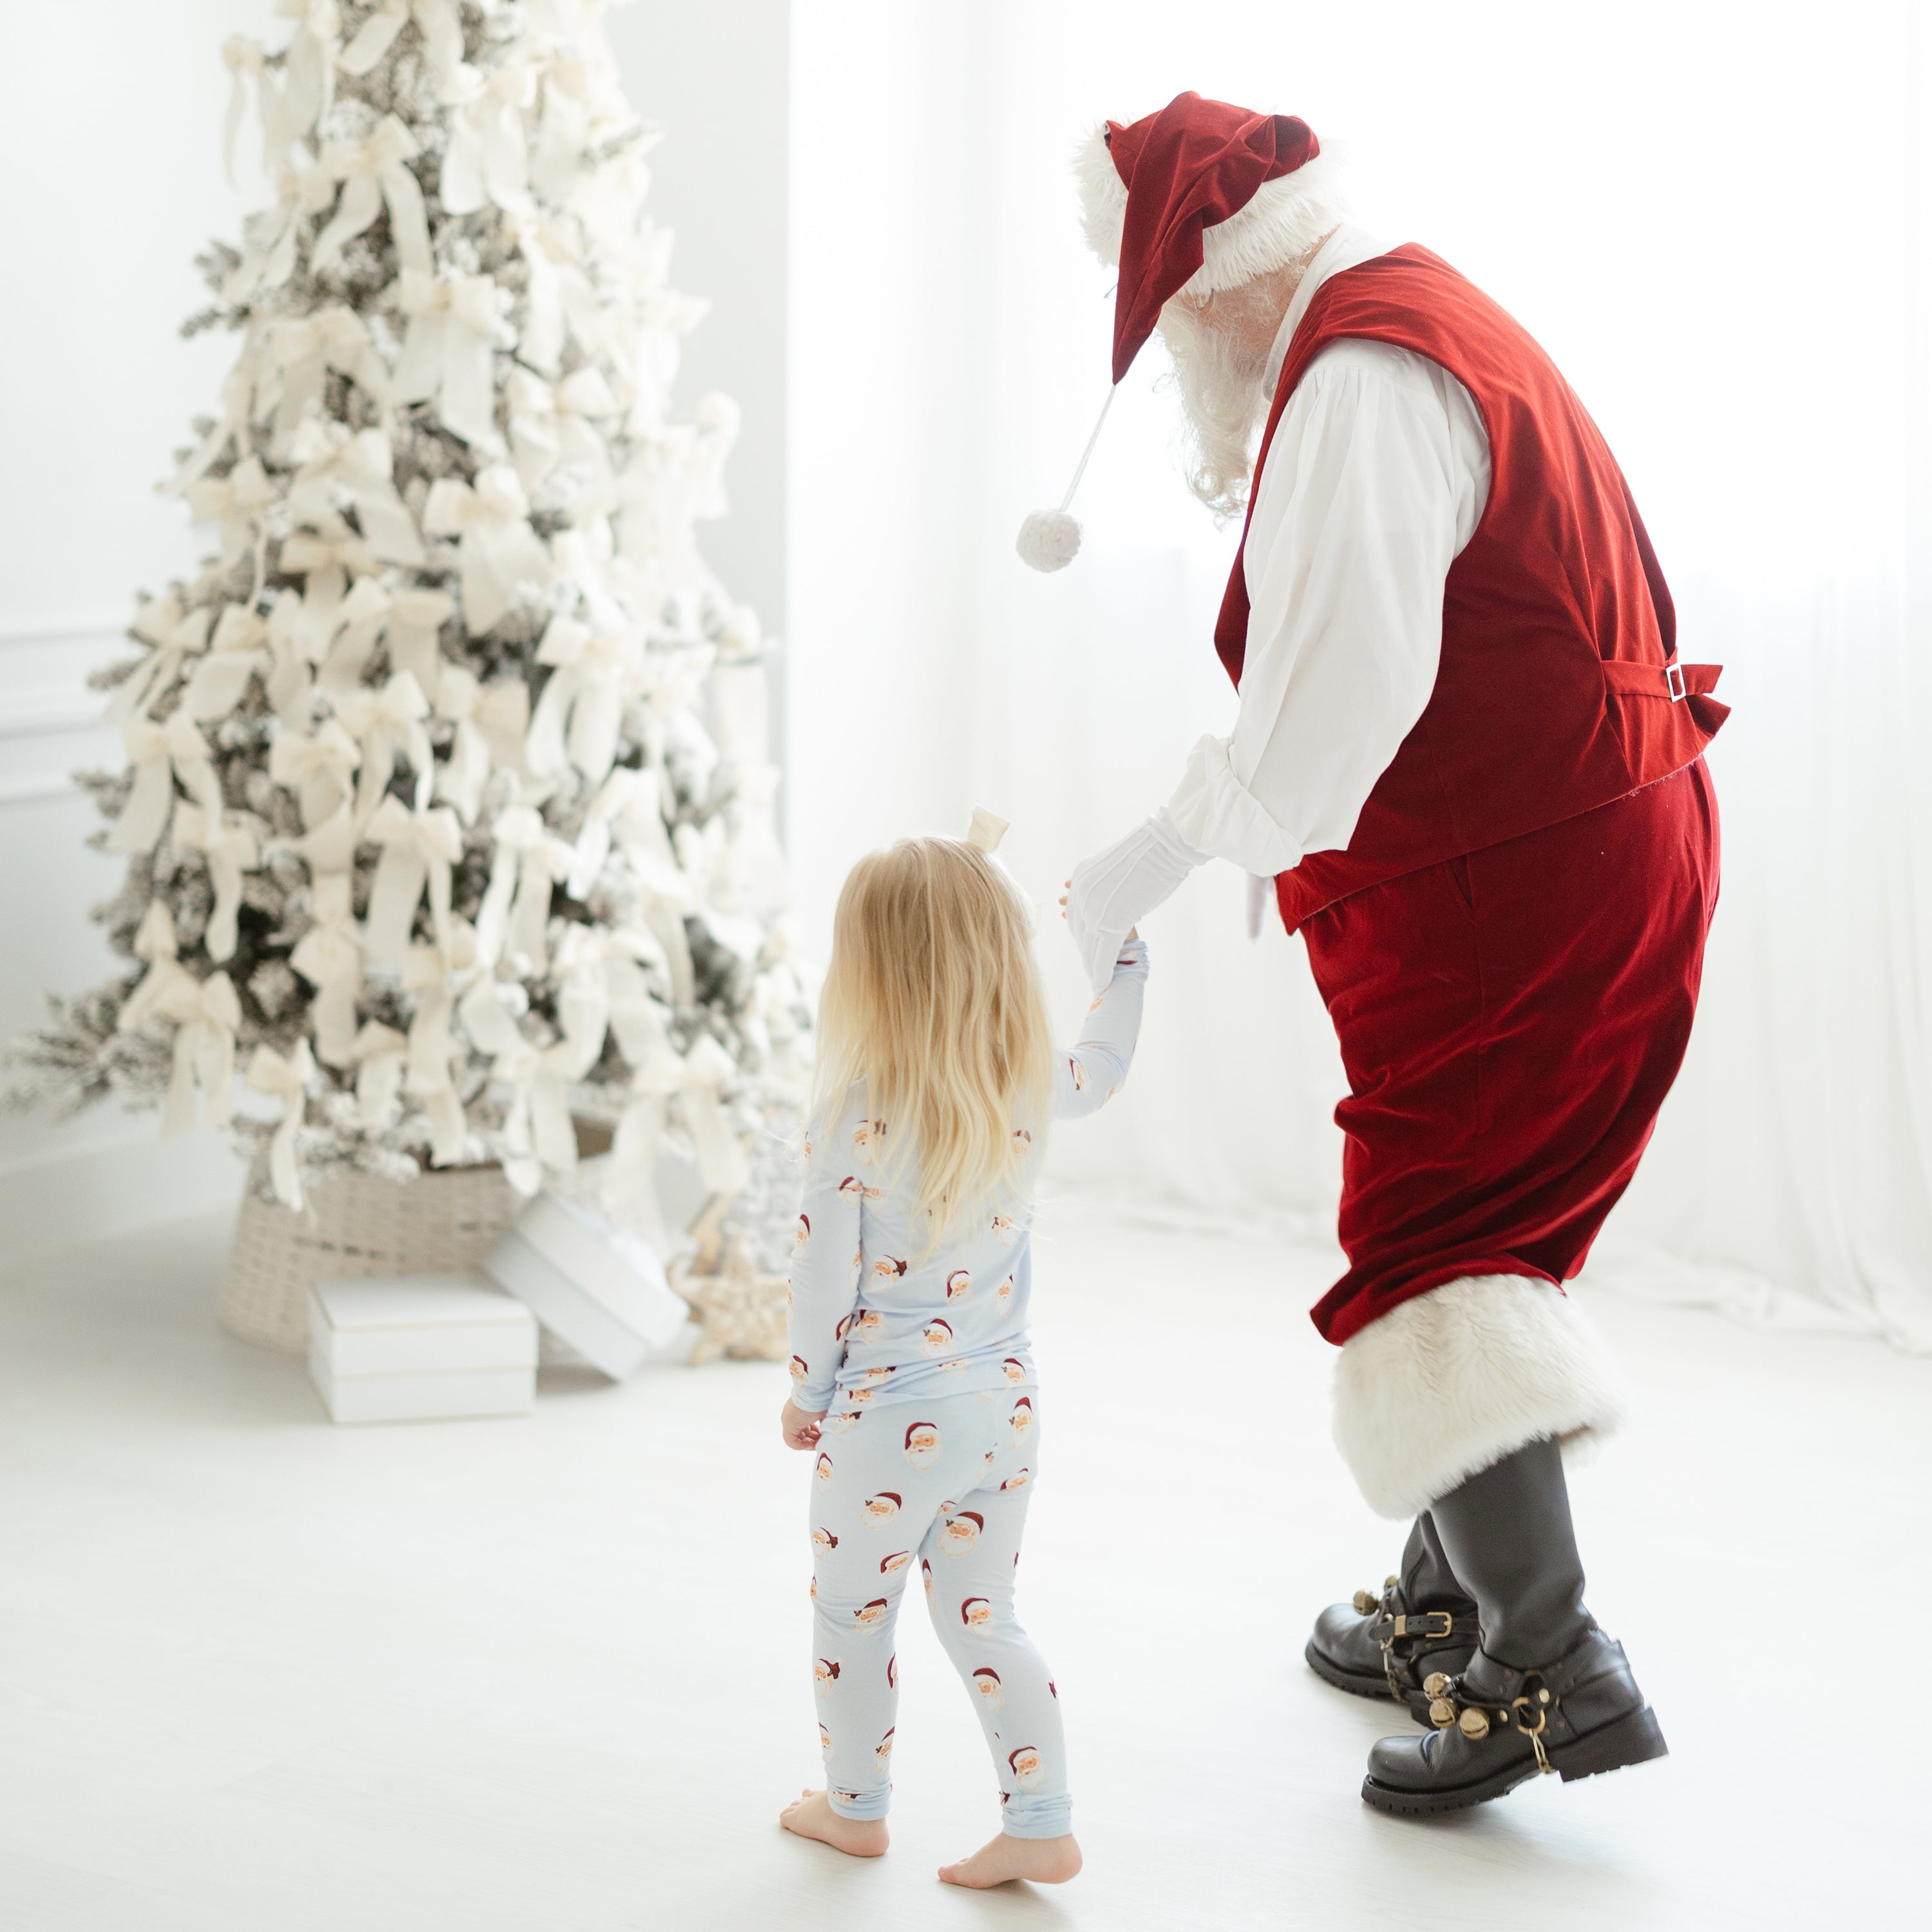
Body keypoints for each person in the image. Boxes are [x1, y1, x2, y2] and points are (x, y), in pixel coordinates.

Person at [1050, 93, 1727, 1814]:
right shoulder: (1412, 311)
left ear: (1208, 289)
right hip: (1583, 832)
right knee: (1488, 1216)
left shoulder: (1356, 380)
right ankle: (1446, 1602)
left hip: (1522, 868)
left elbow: (1328, 715)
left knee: (1432, 1241)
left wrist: (1136, 866)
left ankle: (1547, 1667)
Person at [777, 817, 1148, 1884]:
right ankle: (1041, 1818)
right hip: (1007, 1411)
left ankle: (854, 1809)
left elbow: (819, 1285)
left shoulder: (850, 1114)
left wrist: (808, 1395)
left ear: (870, 977)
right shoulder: (1025, 1083)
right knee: (985, 1614)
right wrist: (1123, 952)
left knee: (854, 1614)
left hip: (885, 1423)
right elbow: (1109, 1060)